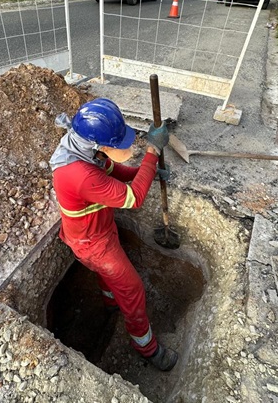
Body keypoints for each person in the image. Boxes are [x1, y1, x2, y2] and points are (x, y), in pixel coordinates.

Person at [49, 98, 179, 372]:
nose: (124, 148)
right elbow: (133, 198)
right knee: (132, 289)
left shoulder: (83, 150)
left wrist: (148, 172)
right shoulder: (81, 175)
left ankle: (110, 303)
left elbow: (115, 171)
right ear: (99, 145)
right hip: (93, 244)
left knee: (109, 278)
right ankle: (147, 347)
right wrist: (153, 153)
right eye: (116, 144)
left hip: (96, 232)